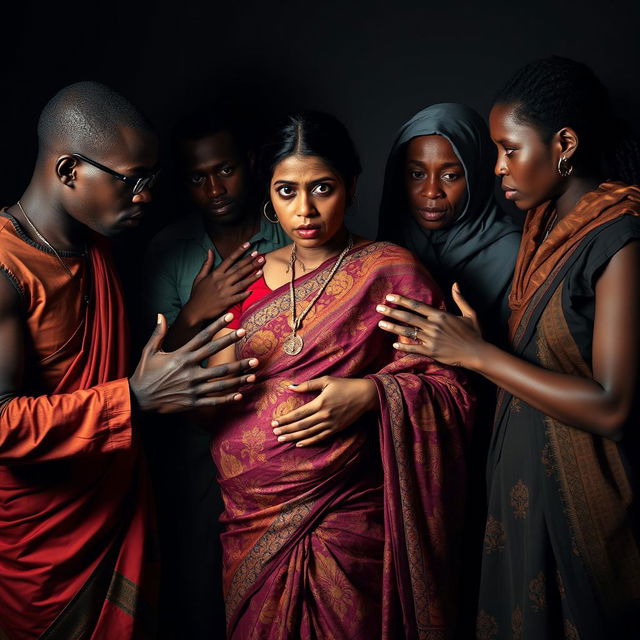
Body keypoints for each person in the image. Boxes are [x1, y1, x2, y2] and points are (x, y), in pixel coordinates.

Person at [376, 57, 640, 639]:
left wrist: (476, 354)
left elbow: (614, 407)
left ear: (563, 144)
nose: (495, 168)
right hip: (520, 496)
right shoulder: (544, 223)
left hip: (585, 505)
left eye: (508, 149)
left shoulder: (619, 239)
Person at [0, 81, 257, 640]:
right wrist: (133, 400)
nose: (145, 196)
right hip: (43, 548)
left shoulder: (96, 244)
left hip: (118, 511)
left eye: (152, 180)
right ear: (69, 171)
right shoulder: (5, 269)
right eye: (131, 181)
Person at [207, 111, 475, 639]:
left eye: (322, 189)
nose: (304, 210)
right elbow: (214, 395)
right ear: (269, 193)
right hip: (251, 519)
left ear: (351, 187)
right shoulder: (244, 278)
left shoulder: (389, 270)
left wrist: (373, 394)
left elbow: (452, 386)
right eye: (286, 191)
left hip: (348, 520)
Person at [143, 107, 290, 638]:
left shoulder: (291, 228)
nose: (216, 187)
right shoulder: (170, 250)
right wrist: (197, 310)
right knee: (201, 585)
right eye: (198, 177)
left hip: (279, 444)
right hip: (195, 451)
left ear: (249, 163)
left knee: (276, 587)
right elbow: (152, 370)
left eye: (225, 169)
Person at [378, 102, 521, 346]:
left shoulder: (514, 254)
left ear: (476, 176)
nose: (431, 191)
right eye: (417, 174)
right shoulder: (390, 242)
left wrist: (475, 346)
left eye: (450, 176)